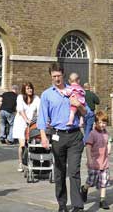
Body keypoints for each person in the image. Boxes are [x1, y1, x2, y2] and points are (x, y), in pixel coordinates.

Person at [38, 63, 88, 212]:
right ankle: (62, 204)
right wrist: (43, 137)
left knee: (74, 171)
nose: (56, 79)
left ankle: (78, 206)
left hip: (74, 136)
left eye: (58, 76)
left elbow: (87, 113)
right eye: (54, 76)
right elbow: (42, 117)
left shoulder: (74, 90)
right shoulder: (47, 94)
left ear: (63, 75)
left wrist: (78, 105)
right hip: (57, 135)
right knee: (59, 172)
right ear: (51, 77)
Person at [81, 111, 111, 210]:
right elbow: (88, 147)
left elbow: (108, 142)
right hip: (94, 162)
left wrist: (109, 148)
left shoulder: (106, 133)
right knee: (91, 181)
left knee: (103, 182)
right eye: (100, 122)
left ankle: (102, 200)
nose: (102, 125)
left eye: (104, 123)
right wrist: (89, 159)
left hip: (104, 162)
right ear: (95, 123)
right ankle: (84, 189)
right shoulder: (92, 134)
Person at [13, 82, 40, 172]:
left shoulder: (36, 98)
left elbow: (40, 110)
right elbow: (20, 110)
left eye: (31, 88)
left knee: (31, 143)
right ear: (24, 90)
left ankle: (30, 161)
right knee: (22, 144)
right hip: (20, 123)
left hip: (31, 124)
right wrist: (27, 120)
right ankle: (20, 162)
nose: (30, 90)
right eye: (28, 88)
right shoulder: (20, 97)